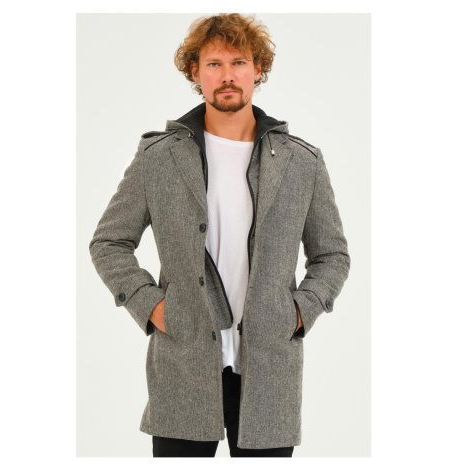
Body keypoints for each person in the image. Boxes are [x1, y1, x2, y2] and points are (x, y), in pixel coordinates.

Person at [89, 13, 350, 458]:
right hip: (183, 362)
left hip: (269, 368)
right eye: (214, 64)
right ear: (195, 72)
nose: (227, 75)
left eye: (239, 62)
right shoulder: (158, 157)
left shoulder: (302, 161)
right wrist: (152, 307)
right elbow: (109, 242)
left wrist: (298, 313)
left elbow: (332, 256)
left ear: (257, 69)